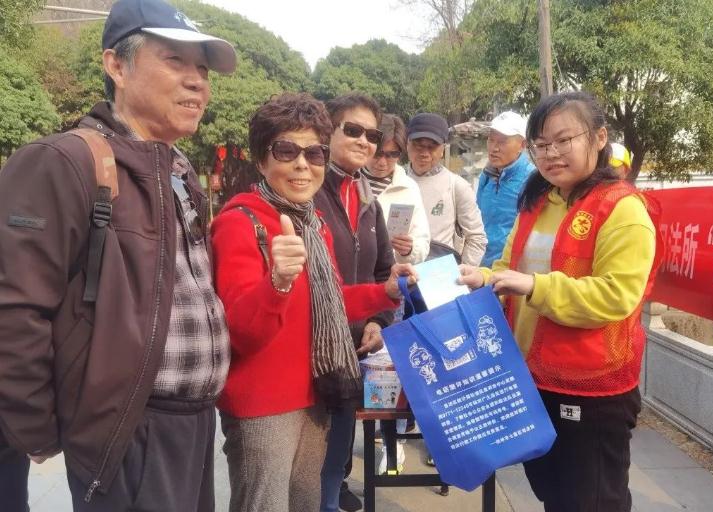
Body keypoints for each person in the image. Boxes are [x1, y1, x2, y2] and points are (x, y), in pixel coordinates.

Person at [0, 0, 237, 510]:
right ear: (116, 66)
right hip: (129, 429)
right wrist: (36, 429)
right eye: (174, 60)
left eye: (202, 69)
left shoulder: (178, 169)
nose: (197, 82)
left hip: (194, 423)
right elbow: (15, 309)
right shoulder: (64, 161)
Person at [211, 93, 415, 512]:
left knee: (307, 504)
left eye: (314, 153)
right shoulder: (240, 223)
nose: (302, 164)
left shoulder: (312, 222)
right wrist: (278, 283)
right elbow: (241, 333)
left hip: (315, 395)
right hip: (263, 407)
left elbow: (330, 302)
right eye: (287, 151)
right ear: (262, 160)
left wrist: (385, 292)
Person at [459, 91, 661, 512]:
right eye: (541, 144)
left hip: (590, 387)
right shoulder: (538, 202)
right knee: (555, 494)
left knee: (593, 501)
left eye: (563, 140)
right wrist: (485, 278)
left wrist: (535, 286)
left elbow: (617, 296)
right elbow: (509, 265)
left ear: (599, 138)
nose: (551, 154)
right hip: (534, 376)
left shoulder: (622, 209)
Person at [313, 93, 396, 512]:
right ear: (328, 131)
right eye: (353, 130)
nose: (365, 141)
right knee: (305, 469)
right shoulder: (307, 191)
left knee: (334, 463)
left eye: (373, 135)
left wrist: (378, 320)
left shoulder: (367, 200)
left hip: (352, 352)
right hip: (309, 351)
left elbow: (384, 272)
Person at [405, 112, 487, 265]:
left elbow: (477, 238)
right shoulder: (396, 183)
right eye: (418, 145)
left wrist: (461, 273)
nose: (424, 153)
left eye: (432, 146)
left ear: (442, 149)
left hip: (439, 272)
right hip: (399, 273)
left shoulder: (456, 186)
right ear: (407, 145)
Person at [364, 113, 430, 264]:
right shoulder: (350, 181)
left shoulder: (409, 188)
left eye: (391, 155)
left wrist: (409, 250)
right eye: (377, 153)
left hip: (390, 272)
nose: (382, 162)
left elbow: (422, 242)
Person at [477, 111, 534, 267]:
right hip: (483, 266)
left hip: (513, 268)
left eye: (502, 142)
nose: (494, 148)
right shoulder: (486, 176)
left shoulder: (532, 180)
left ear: (522, 145)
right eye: (491, 140)